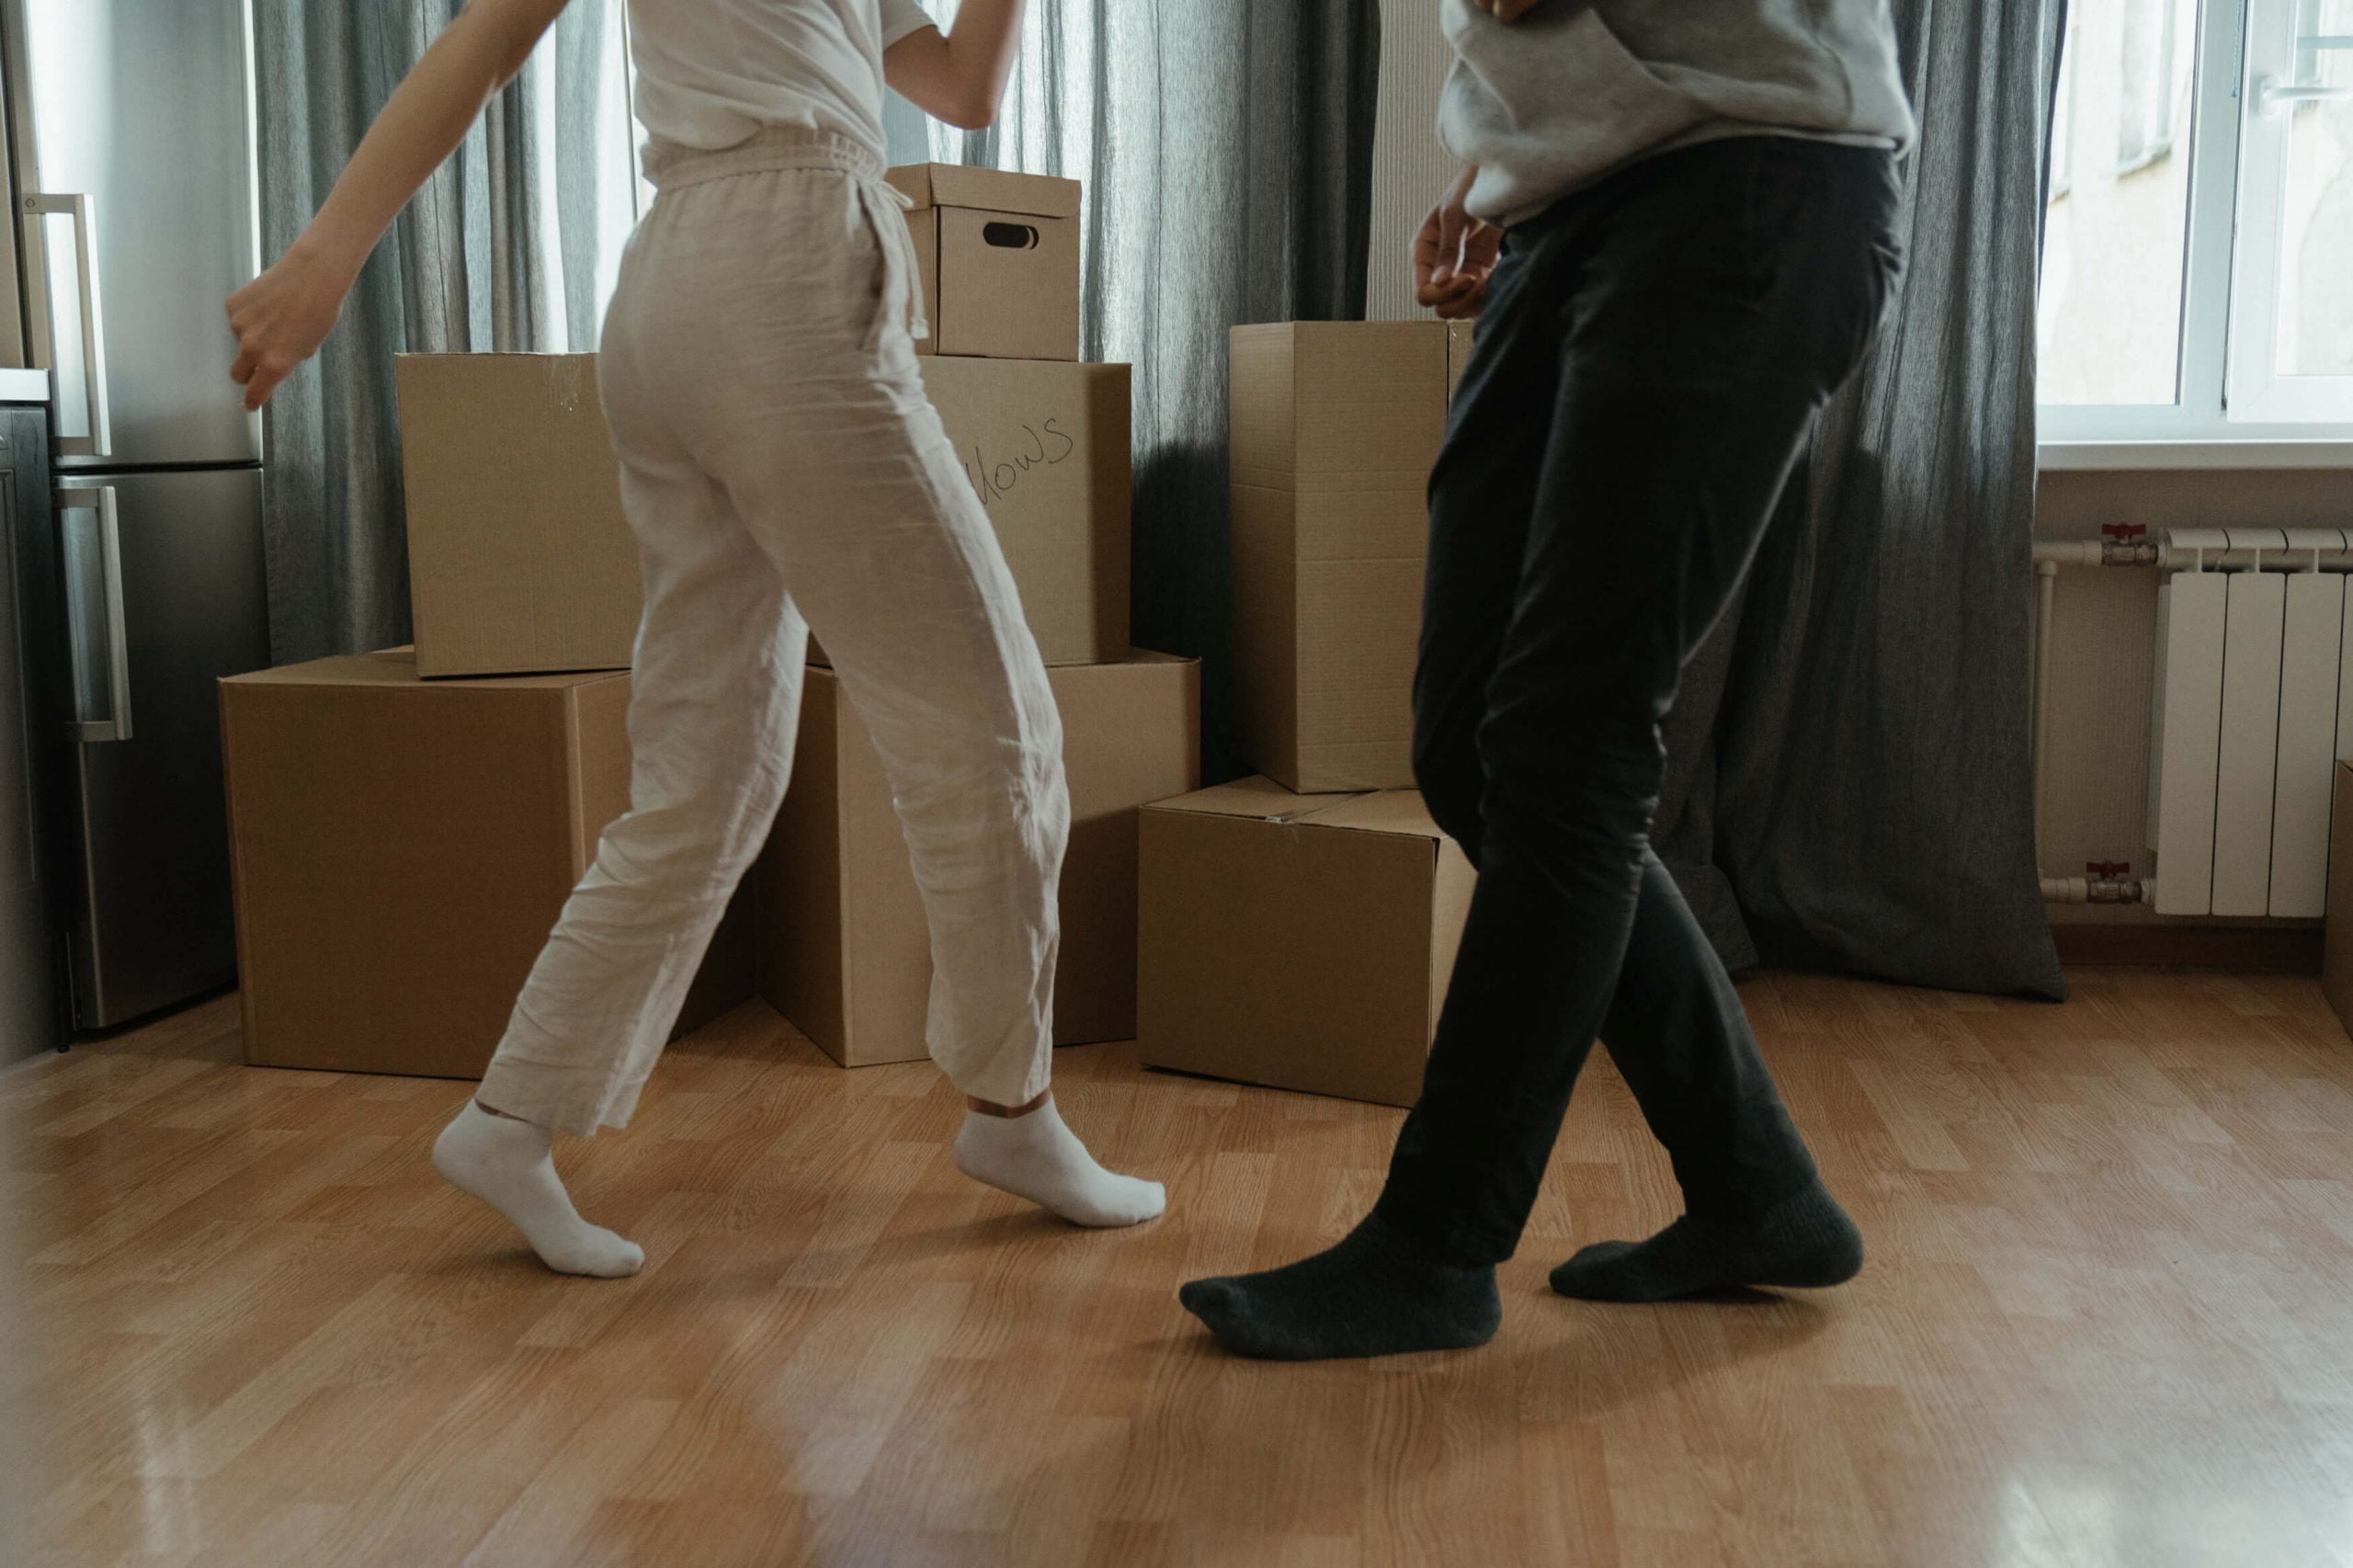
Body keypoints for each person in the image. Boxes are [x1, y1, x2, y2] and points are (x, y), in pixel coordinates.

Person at [227, 0, 1164, 1280]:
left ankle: (513, 1115)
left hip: (674, 291)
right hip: (785, 264)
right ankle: (1014, 1111)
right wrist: (323, 255)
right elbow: (490, 38)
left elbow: (958, 85)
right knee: (992, 724)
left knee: (712, 771)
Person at [1180, 0, 1915, 1358]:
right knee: (1471, 745)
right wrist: (1493, 169)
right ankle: (1759, 1187)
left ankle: (1434, 1244)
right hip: (1567, 211)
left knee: (1570, 744)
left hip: (1747, 179)